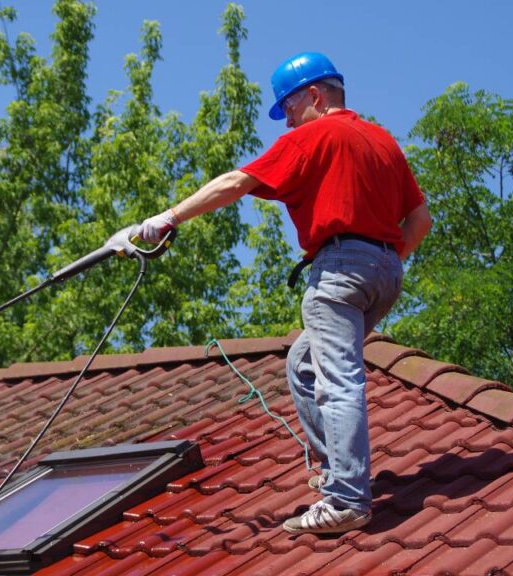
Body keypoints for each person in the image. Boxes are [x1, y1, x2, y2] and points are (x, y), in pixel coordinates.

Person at [137, 51, 432, 535]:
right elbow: (420, 221)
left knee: (337, 379)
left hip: (338, 269)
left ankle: (346, 499)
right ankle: (339, 473)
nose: (287, 121)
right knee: (303, 362)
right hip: (385, 273)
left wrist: (169, 217)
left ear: (314, 96)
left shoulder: (314, 135)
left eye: (288, 109)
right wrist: (383, 262)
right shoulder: (382, 142)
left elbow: (236, 182)